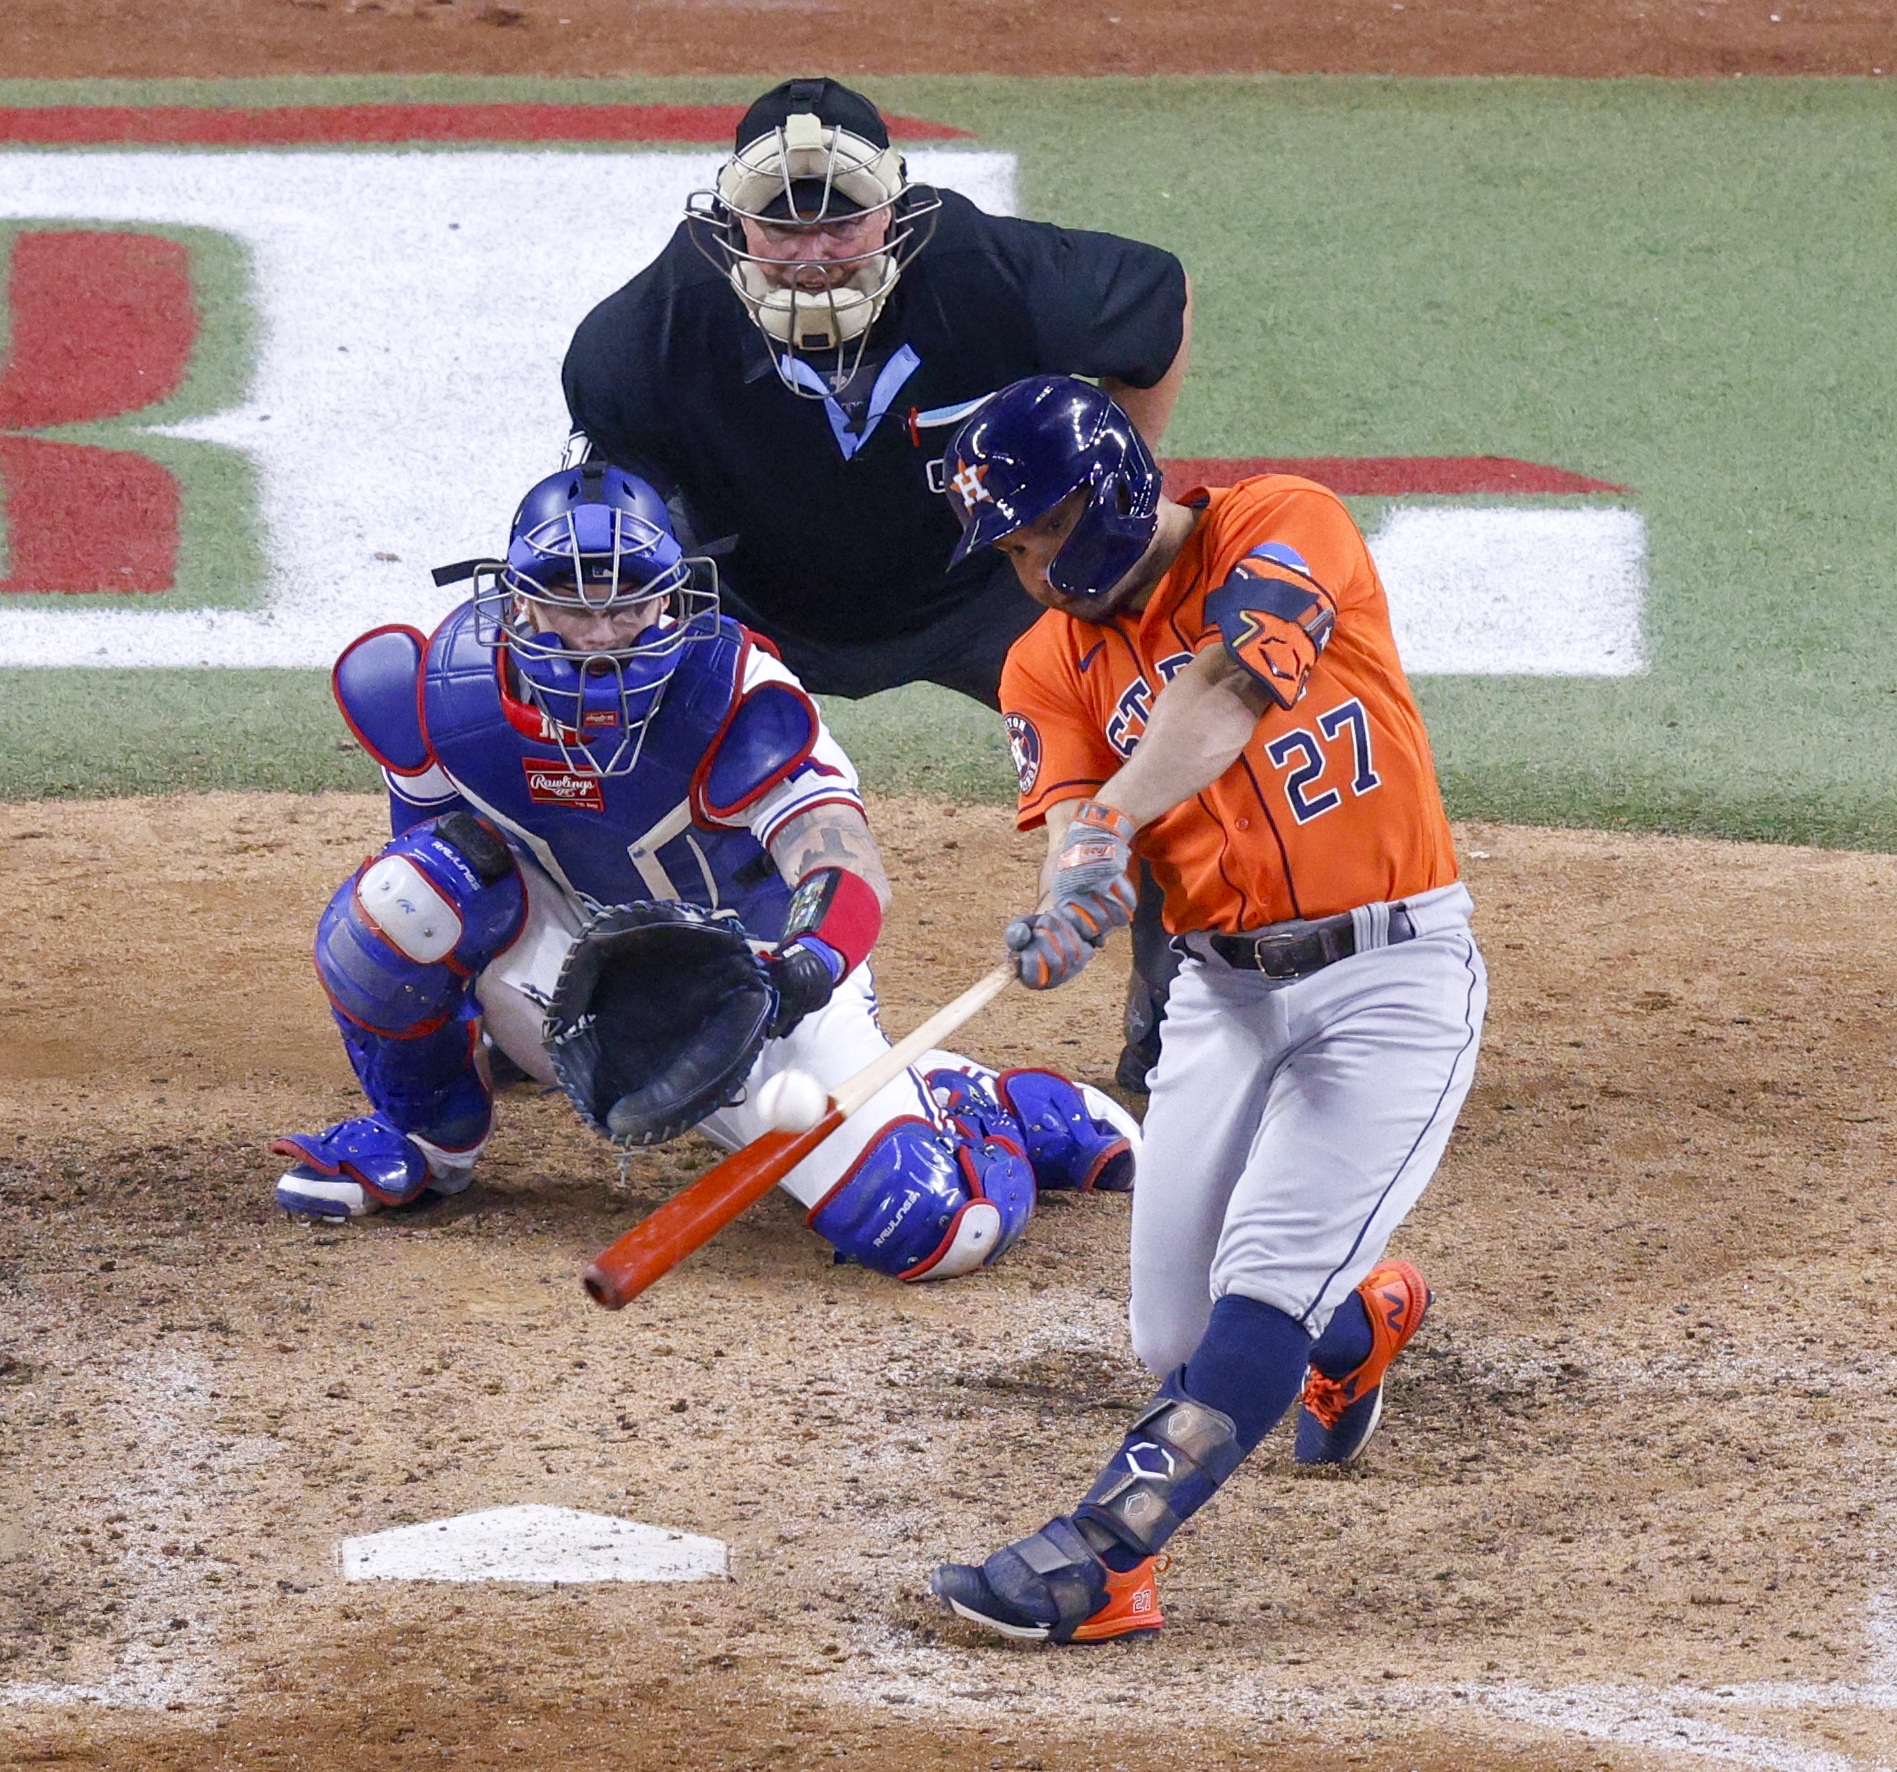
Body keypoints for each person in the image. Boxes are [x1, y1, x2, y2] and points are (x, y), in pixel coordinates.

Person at [271, 462, 1140, 1288]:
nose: (605, 634)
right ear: (519, 602)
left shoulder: (739, 698)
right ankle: (422, 1140)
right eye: (576, 603)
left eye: (632, 605)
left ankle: (986, 1104)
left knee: (933, 1232)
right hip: (573, 966)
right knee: (401, 899)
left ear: (673, 599)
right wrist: (501, 1019)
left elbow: (841, 861)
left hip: (752, 987)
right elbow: (439, 854)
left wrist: (803, 966)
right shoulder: (421, 688)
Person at [924, 378, 1487, 1642]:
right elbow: (1077, 816)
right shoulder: (1042, 664)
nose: (1030, 568)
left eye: (1038, 530)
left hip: (1390, 977)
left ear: (1112, 487)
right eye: (1010, 550)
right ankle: (1357, 1320)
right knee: (1173, 1335)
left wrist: (1111, 819)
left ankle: (1105, 1556)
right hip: (1222, 996)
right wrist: (1072, 887)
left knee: (1258, 1291)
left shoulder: (1284, 523)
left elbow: (1231, 687)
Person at [563, 74, 1195, 1088]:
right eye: (779, 224)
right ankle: (588, 998)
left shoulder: (985, 267)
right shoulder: (642, 338)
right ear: (730, 224)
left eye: (841, 221)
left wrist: (1107, 514)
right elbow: (619, 523)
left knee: (1157, 736)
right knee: (600, 744)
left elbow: (1155, 305)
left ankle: (1182, 1013)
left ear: (893, 210)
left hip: (982, 589)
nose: (812, 253)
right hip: (754, 601)